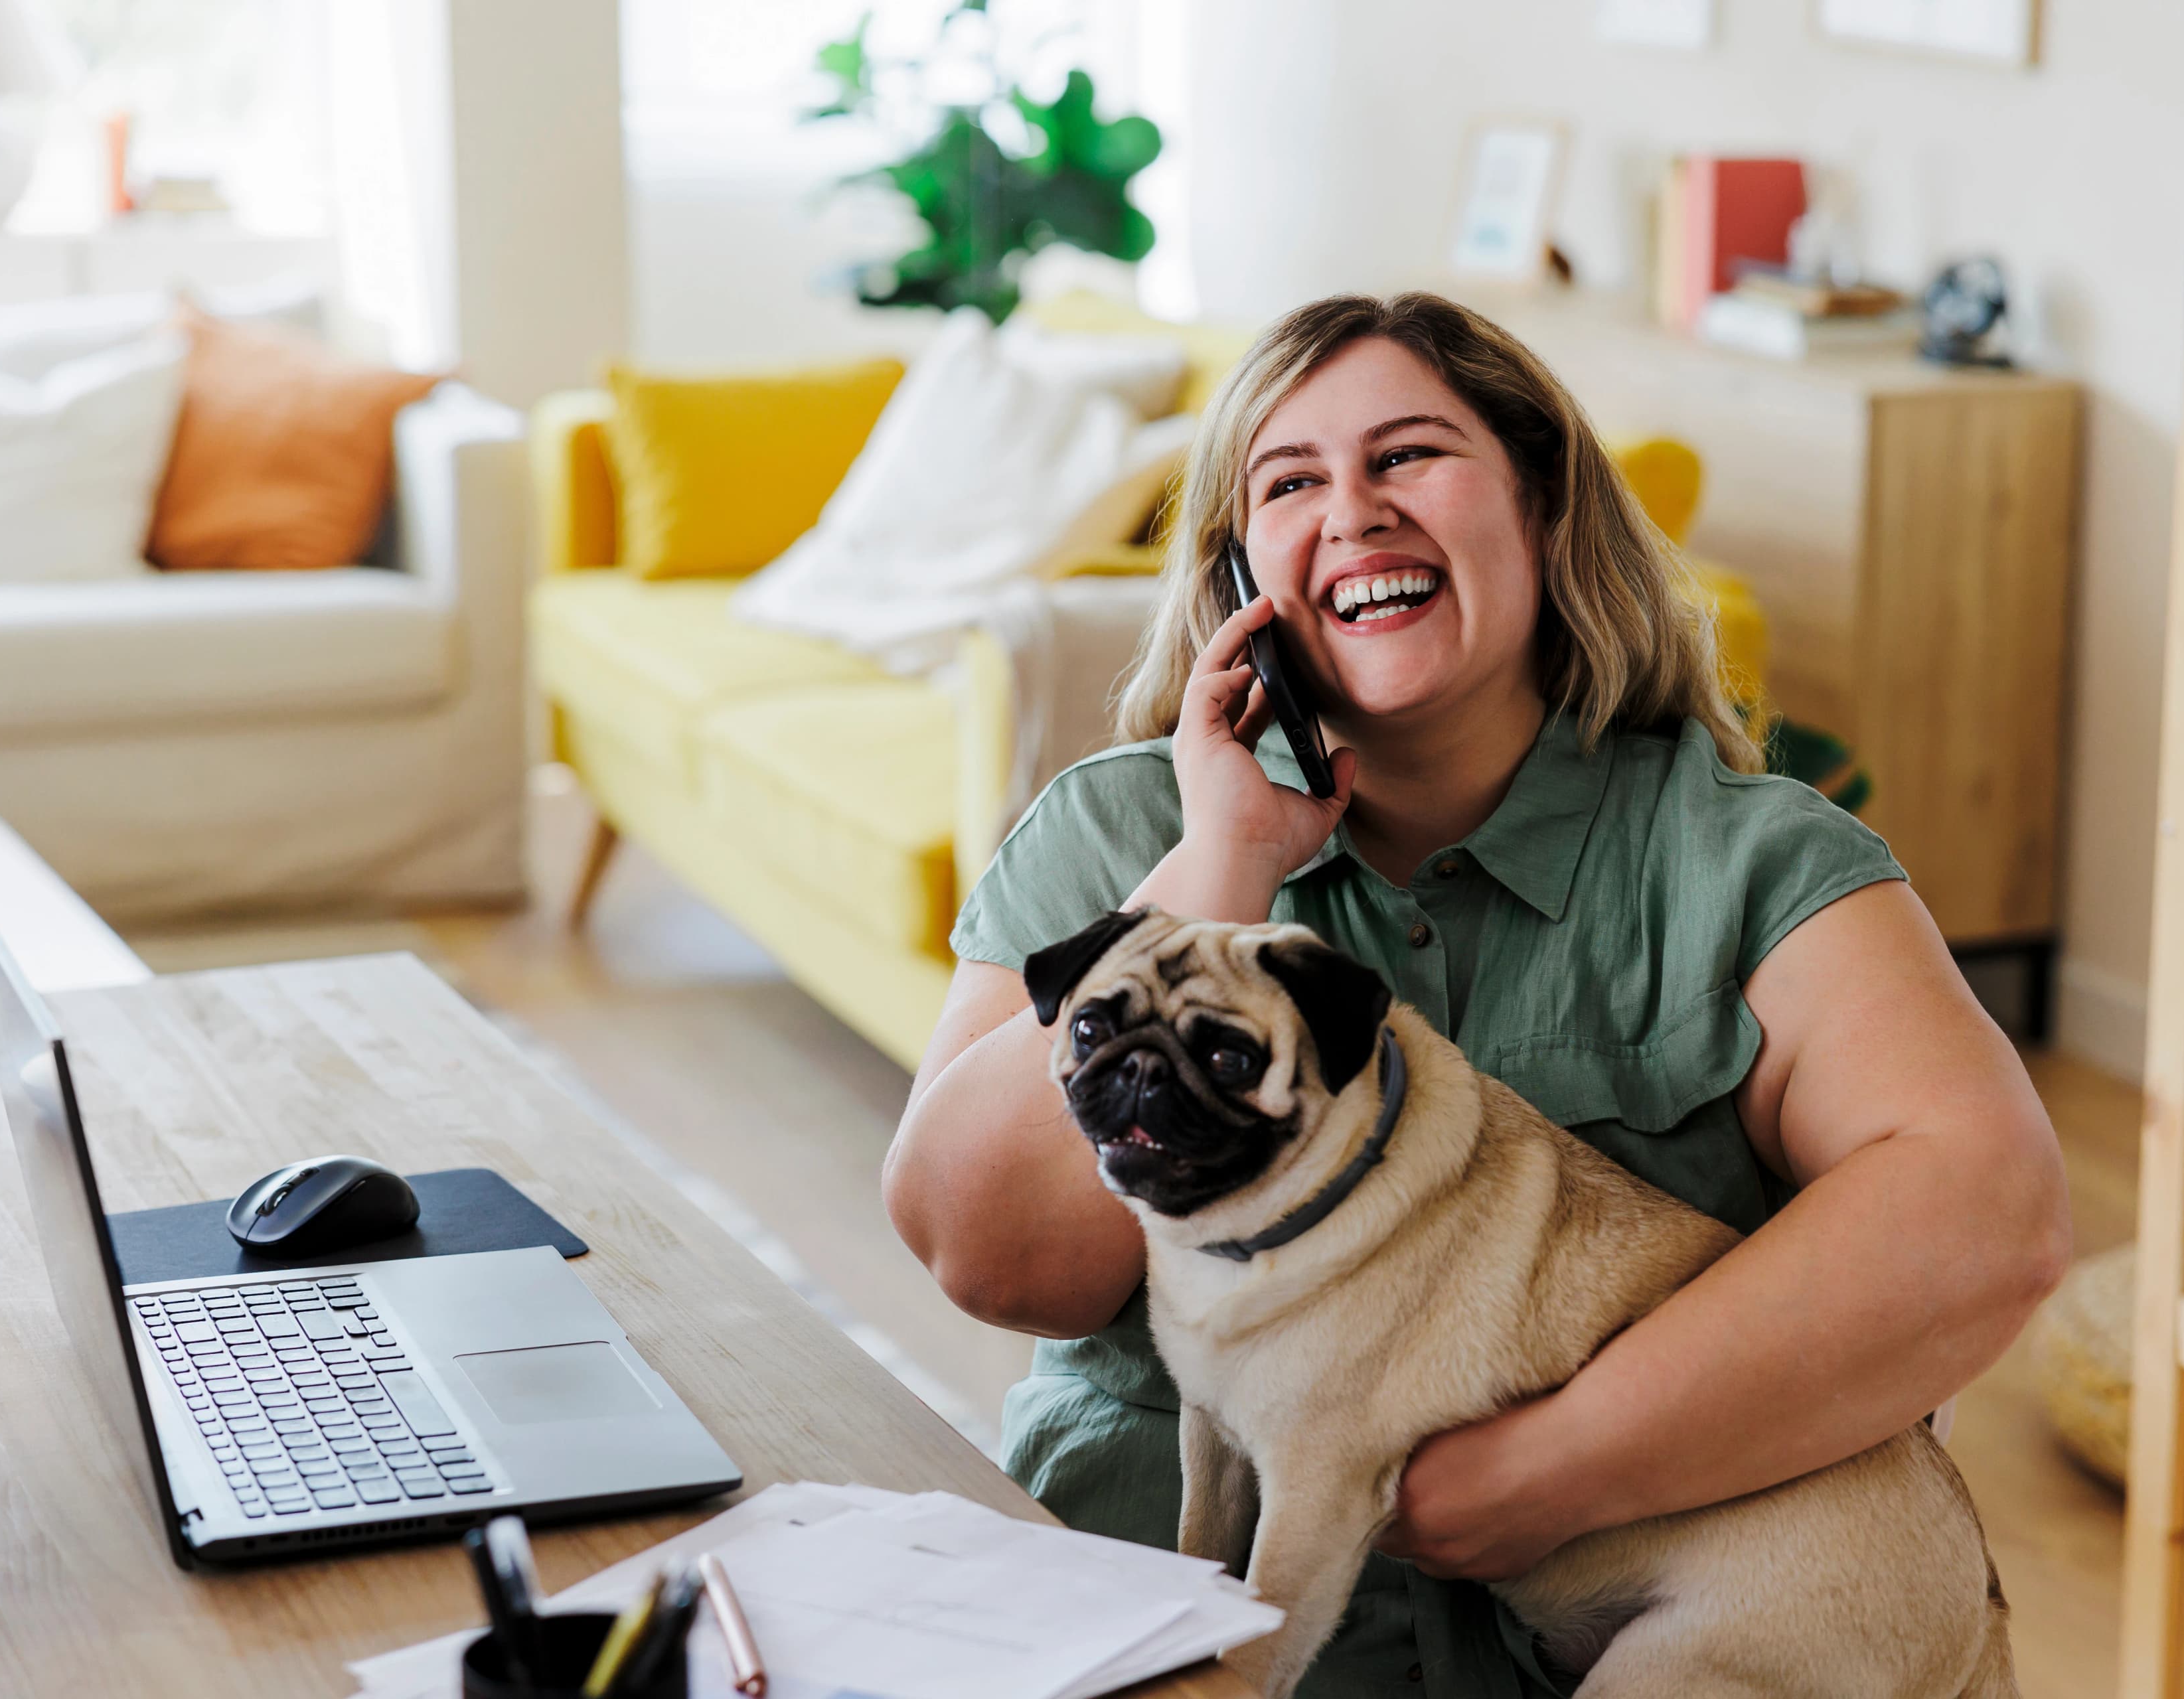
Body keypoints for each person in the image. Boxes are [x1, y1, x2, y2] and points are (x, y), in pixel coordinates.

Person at [883, 292, 2070, 1696]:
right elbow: (990, 1251)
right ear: (1240, 572)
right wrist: (1224, 860)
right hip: (1152, 1627)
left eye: (1409, 457)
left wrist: (1546, 1470)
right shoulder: (1112, 840)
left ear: (1544, 506)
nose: (1355, 511)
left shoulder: (1750, 862)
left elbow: (1984, 1210)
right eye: (1291, 482)